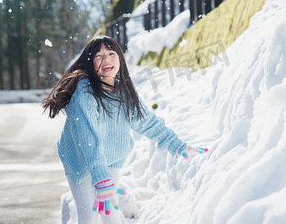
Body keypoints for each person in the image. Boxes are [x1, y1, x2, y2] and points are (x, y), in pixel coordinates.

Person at [41, 36, 208, 224]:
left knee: (111, 211)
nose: (106, 59)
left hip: (112, 156)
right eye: (99, 56)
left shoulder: (124, 92)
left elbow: (148, 122)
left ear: (120, 58)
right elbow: (89, 138)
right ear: (90, 63)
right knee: (89, 215)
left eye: (111, 53)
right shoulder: (85, 94)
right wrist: (101, 181)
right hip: (81, 159)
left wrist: (178, 146)